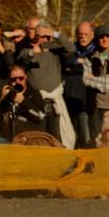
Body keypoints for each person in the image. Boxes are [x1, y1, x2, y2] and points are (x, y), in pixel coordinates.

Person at [15, 19, 76, 147]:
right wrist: (33, 52)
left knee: (56, 137)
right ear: (36, 36)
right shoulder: (28, 51)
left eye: (46, 37)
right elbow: (20, 59)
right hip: (37, 102)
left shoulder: (55, 49)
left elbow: (71, 48)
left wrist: (54, 34)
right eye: (41, 36)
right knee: (38, 136)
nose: (44, 40)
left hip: (55, 102)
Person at [64, 21, 97, 148]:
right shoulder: (72, 50)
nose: (82, 37)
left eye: (86, 34)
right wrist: (78, 66)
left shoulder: (96, 50)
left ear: (92, 34)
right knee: (72, 138)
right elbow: (66, 68)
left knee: (86, 138)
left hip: (86, 102)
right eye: (80, 34)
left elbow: (93, 71)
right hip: (70, 99)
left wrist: (74, 68)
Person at [0, 63, 46, 142]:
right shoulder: (5, 94)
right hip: (7, 139)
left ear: (26, 77)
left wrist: (23, 101)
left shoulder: (34, 94)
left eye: (21, 78)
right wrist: (1, 99)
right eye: (14, 79)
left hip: (29, 138)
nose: (17, 81)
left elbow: (40, 117)